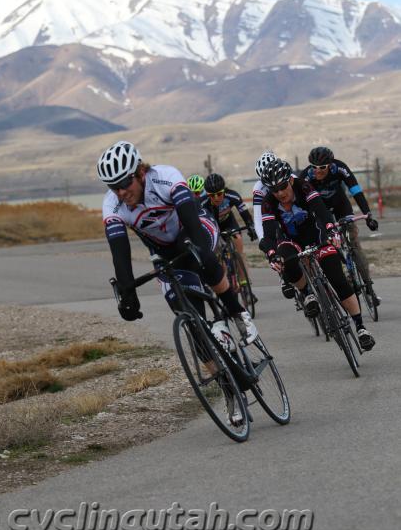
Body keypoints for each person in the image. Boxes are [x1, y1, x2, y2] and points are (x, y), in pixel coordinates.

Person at [97, 142, 259, 402]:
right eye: (113, 187)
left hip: (195, 226)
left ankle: (237, 312)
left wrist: (201, 253)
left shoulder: (165, 177)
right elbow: (119, 251)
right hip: (163, 251)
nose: (121, 192)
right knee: (188, 317)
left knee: (202, 259)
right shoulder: (113, 206)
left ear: (139, 172)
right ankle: (230, 390)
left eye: (125, 183)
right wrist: (127, 293)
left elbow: (191, 221)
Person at [259, 158, 375, 351]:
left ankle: (361, 327)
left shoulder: (303, 186)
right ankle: (307, 293)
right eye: (273, 190)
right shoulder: (268, 203)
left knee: (338, 279)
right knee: (286, 263)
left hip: (316, 234)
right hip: (290, 240)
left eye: (281, 187)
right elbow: (269, 234)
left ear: (289, 180)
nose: (279, 193)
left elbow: (322, 211)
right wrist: (271, 254)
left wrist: (331, 229)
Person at [300, 146, 378, 292]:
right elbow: (300, 203)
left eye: (322, 167)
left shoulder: (340, 168)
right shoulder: (305, 176)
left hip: (341, 205)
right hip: (321, 210)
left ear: (330, 164)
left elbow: (356, 190)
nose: (317, 170)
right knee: (328, 242)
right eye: (314, 167)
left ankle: (367, 282)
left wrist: (368, 215)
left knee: (353, 241)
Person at [203, 172, 257, 292]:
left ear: (224, 190)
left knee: (239, 246)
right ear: (207, 195)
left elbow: (244, 213)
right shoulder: (203, 203)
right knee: (218, 255)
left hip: (229, 223)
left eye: (219, 194)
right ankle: (225, 283)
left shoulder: (233, 196)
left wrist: (251, 227)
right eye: (212, 195)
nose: (216, 198)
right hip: (214, 227)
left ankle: (244, 284)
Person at [253, 151, 295, 300]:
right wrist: (264, 242)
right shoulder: (258, 188)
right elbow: (258, 219)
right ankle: (283, 274)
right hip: (272, 215)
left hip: (289, 211)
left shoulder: (291, 177)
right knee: (273, 238)